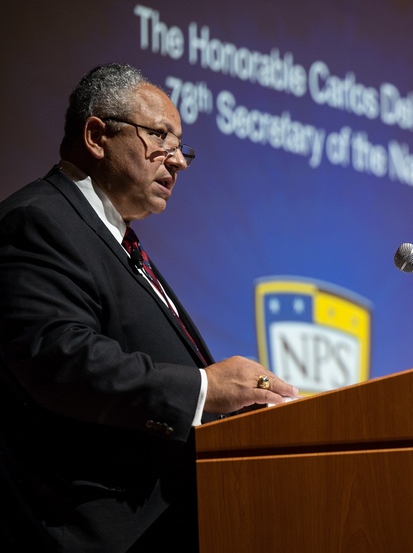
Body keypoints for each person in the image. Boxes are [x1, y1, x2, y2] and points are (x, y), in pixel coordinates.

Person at [0, 63, 298, 551]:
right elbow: (60, 357)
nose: (178, 160)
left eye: (182, 146)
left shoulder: (117, 240)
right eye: (162, 136)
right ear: (97, 136)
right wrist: (203, 388)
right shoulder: (40, 221)